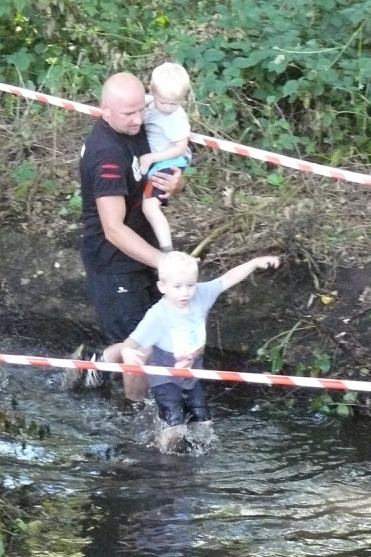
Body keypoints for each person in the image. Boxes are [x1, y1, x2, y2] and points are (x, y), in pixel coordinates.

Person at [72, 72, 185, 401]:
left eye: (141, 110)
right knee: (142, 350)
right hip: (113, 262)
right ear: (104, 109)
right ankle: (137, 415)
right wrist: (163, 261)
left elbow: (165, 172)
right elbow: (113, 228)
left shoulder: (142, 124)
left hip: (143, 251)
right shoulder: (106, 154)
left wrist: (176, 184)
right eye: (129, 114)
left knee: (162, 337)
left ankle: (96, 363)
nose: (138, 120)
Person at [121, 251, 280, 452]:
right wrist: (128, 354)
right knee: (174, 427)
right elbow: (129, 344)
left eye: (190, 285)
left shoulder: (201, 295)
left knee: (204, 426)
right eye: (177, 287)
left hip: (192, 376)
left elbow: (228, 278)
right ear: (162, 287)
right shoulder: (157, 316)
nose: (185, 293)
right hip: (165, 378)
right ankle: (160, 459)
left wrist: (255, 262)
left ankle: (196, 456)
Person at [138, 62, 193, 252]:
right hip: (154, 158)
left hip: (170, 160)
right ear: (152, 91)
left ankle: (167, 249)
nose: (168, 108)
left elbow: (180, 148)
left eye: (174, 103)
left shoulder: (176, 118)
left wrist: (152, 157)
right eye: (163, 102)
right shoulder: (146, 103)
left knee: (150, 206)